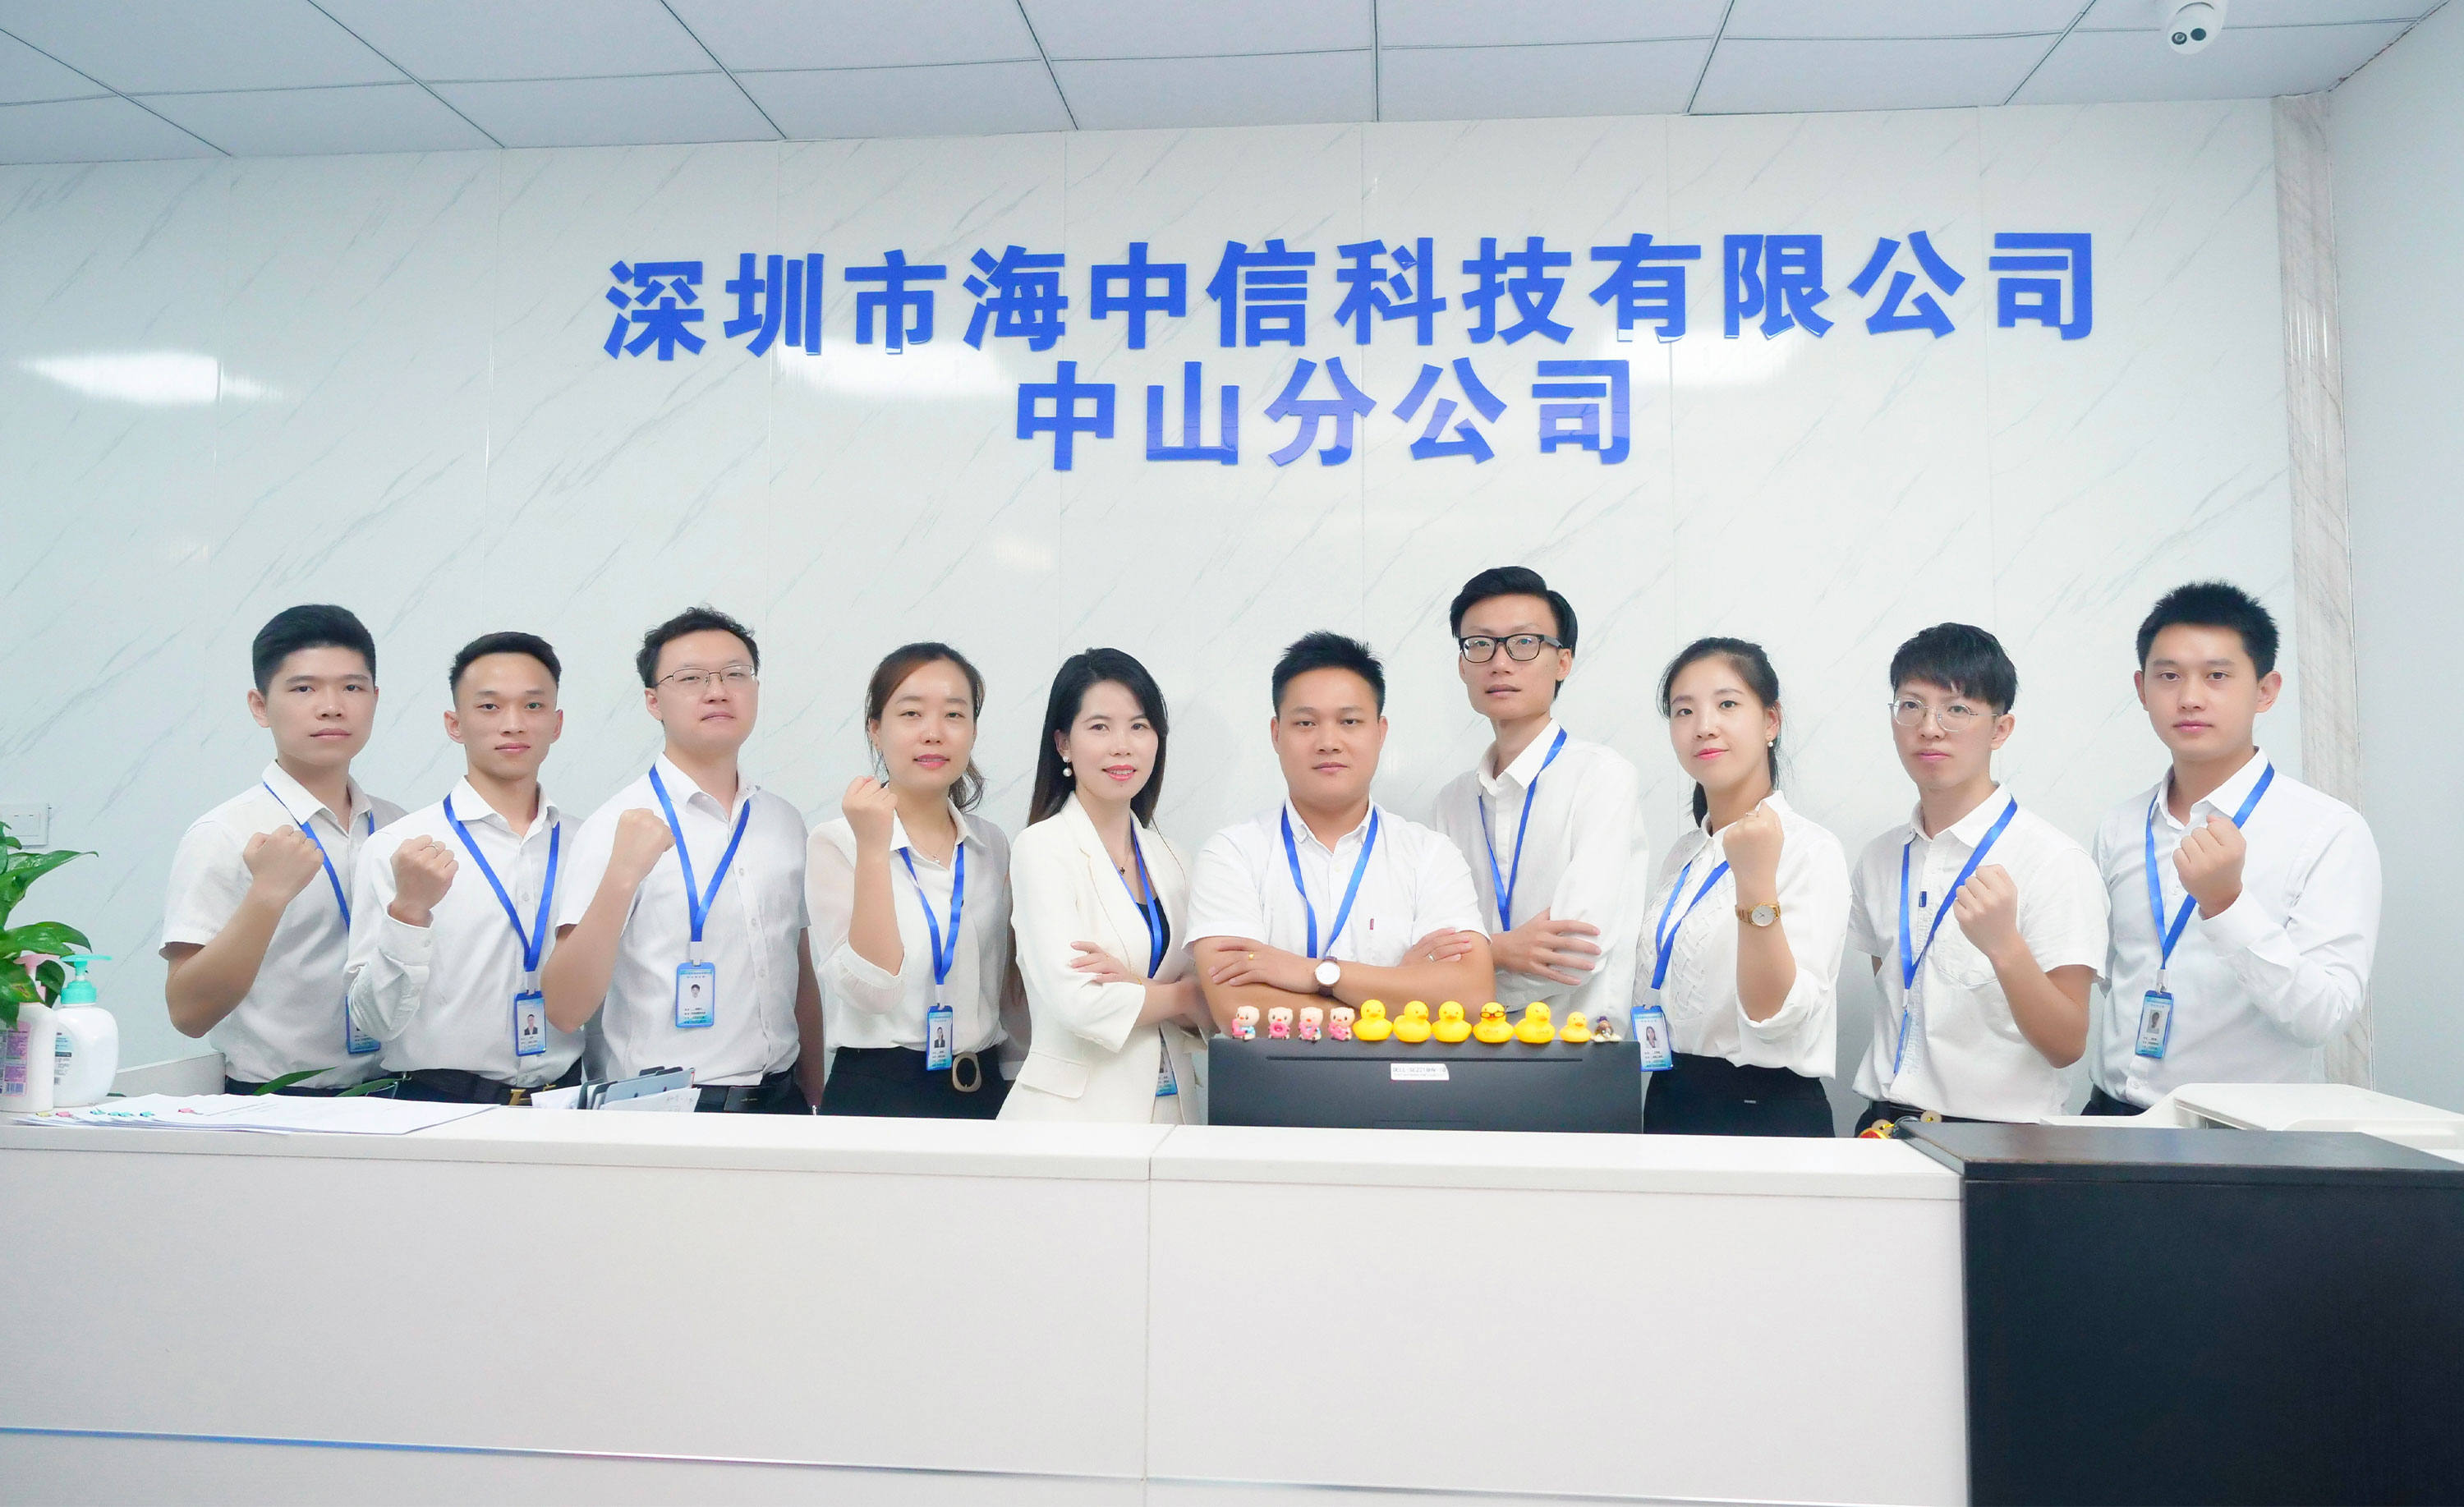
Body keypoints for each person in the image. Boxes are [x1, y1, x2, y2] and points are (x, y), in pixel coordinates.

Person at [2084, 582, 2380, 1114]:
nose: (2190, 697)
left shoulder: (2327, 830)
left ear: (2265, 690)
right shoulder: (2119, 825)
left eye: (2217, 675)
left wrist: (2226, 905)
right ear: (2142, 688)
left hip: (2240, 1135)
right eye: (2169, 676)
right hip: (2109, 1114)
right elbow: (2115, 977)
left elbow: (2324, 1017)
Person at [543, 607, 823, 1113]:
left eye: (735, 674)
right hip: (662, 1110)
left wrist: (816, 1095)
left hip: (781, 1101)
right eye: (691, 678)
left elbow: (798, 969)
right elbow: (564, 1008)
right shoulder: (616, 824)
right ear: (653, 701)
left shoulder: (783, 821)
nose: (717, 691)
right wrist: (623, 874)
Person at [1846, 624, 2108, 1131]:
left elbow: (2066, 1045)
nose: (1930, 727)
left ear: (2000, 730)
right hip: (1881, 1128)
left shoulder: (2054, 861)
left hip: (1998, 1142)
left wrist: (2004, 946)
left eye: (1957, 709)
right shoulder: (1880, 858)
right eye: (1911, 706)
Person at [1186, 632, 1493, 1027]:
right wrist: (1396, 992)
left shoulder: (1431, 855)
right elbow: (1236, 1009)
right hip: (1275, 1072)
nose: (1328, 742)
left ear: (1380, 732)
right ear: (1276, 734)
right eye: (1306, 723)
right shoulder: (1232, 854)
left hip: (1399, 1072)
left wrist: (1314, 973)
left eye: (1349, 721)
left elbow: (1471, 997)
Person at [162, 605, 404, 1095]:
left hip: (397, 1094)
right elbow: (188, 1013)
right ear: (259, 706)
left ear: (375, 699)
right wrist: (267, 895)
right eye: (303, 689)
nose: (332, 706)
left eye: (352, 687)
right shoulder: (225, 832)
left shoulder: (398, 826)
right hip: (277, 1101)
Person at [346, 632, 583, 1104]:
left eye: (533, 706)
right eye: (490, 707)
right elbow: (373, 1022)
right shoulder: (398, 847)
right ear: (455, 725)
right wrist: (409, 912)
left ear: (556, 724)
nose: (513, 724)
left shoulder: (588, 844)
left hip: (566, 1102)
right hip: (439, 1105)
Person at [1631, 637, 1846, 1137]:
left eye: (1727, 704)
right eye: (1684, 711)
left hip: (1762, 1112)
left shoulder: (1809, 848)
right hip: (1669, 1097)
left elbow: (1777, 1014)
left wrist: (1755, 883)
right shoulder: (1685, 852)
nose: (1704, 725)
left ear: (1771, 721)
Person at [809, 643, 1023, 1117]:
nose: (933, 733)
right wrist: (873, 848)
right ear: (876, 730)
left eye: (954, 715)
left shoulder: (991, 844)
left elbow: (1006, 992)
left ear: (972, 731)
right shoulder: (837, 842)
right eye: (911, 714)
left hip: (984, 1088)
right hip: (880, 1091)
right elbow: (873, 990)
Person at [1431, 567, 1648, 1026]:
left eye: (1525, 642)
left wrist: (1468, 967)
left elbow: (1573, 956)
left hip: (1576, 1050)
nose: (1500, 662)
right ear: (1462, 665)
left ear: (1563, 662)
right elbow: (1427, 951)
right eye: (1480, 644)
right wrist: (1501, 951)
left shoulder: (1602, 777)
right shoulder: (1451, 802)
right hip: (1464, 1050)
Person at [1001, 650, 1211, 1123]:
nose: (1122, 746)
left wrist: (1139, 986)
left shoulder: (1174, 859)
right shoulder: (1043, 848)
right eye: (1100, 727)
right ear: (1063, 743)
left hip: (1172, 1112)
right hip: (1074, 1121)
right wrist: (1183, 996)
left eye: (1139, 726)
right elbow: (1081, 1003)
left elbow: (1216, 1001)